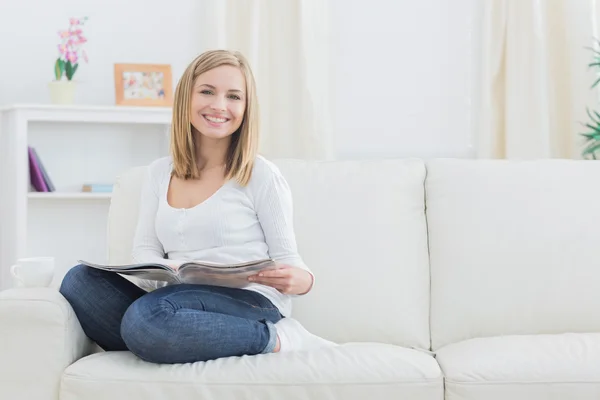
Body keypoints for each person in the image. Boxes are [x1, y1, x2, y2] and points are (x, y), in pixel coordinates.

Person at [59, 49, 335, 364]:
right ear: (186, 99)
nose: (219, 105)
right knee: (79, 281)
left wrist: (302, 280)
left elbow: (292, 264)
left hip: (251, 301)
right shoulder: (160, 172)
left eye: (234, 96)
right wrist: (165, 270)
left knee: (147, 319)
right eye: (207, 92)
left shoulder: (260, 174)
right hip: (178, 298)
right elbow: (145, 251)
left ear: (246, 108)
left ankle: (276, 339)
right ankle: (164, 340)